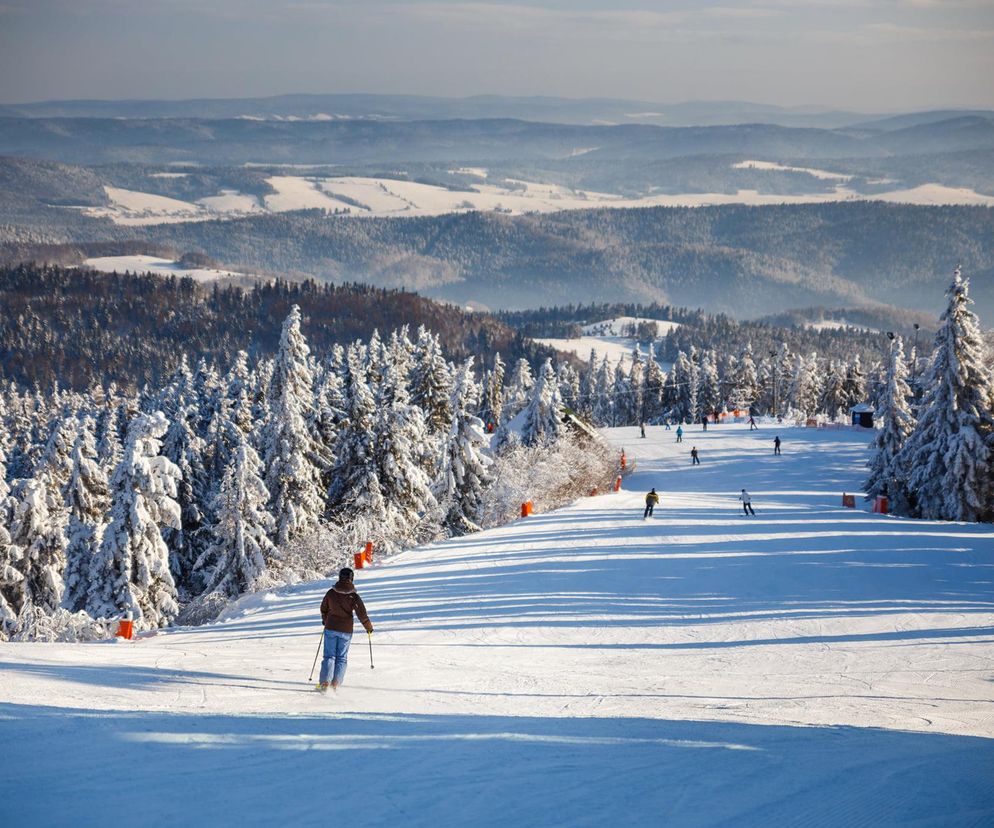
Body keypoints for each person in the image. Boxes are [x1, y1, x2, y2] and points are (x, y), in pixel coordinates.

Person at [317, 567, 374, 692]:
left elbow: (323, 608)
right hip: (346, 630)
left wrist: (325, 620)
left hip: (331, 628)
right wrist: (368, 628)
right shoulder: (354, 597)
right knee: (341, 658)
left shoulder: (331, 593)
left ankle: (325, 683)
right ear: (351, 579)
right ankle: (335, 683)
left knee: (329, 656)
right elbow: (362, 615)